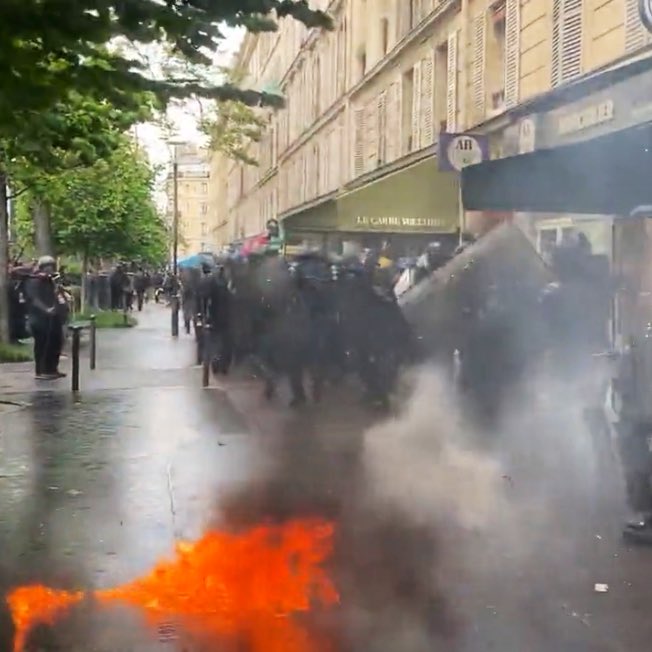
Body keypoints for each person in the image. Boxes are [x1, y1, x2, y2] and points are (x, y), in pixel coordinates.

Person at [25, 256, 66, 380]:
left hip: (53, 317)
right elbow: (34, 299)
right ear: (42, 267)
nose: (51, 269)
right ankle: (41, 370)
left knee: (55, 343)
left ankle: (52, 368)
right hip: (39, 318)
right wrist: (46, 309)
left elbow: (57, 295)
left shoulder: (51, 281)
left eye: (52, 266)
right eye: (48, 266)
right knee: (42, 344)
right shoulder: (34, 280)